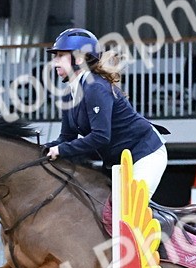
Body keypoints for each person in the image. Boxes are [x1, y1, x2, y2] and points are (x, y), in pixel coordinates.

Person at [43, 28, 168, 195]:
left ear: (79, 58)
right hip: (116, 162)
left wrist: (61, 150)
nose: (55, 62)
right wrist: (40, 149)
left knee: (130, 209)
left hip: (145, 153)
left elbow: (101, 136)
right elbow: (67, 137)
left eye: (60, 56)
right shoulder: (69, 95)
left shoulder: (95, 87)